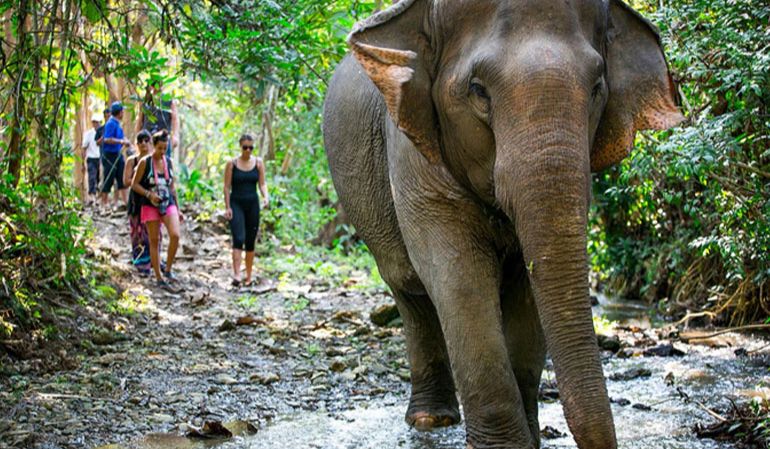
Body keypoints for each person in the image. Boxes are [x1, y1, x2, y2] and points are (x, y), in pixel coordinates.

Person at [131, 130, 182, 290]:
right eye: (159, 148)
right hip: (149, 204)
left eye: (165, 148)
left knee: (175, 235)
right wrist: (149, 194)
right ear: (154, 146)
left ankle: (168, 269)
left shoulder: (169, 162)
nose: (162, 152)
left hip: (168, 203)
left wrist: (178, 209)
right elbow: (134, 184)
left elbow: (172, 186)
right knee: (154, 240)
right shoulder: (145, 163)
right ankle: (159, 277)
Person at [224, 134, 269, 286]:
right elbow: (226, 186)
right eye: (245, 147)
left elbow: (262, 184)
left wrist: (266, 197)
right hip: (236, 203)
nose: (248, 150)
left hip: (252, 204)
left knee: (250, 240)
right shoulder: (232, 164)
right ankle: (237, 275)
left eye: (251, 147)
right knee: (238, 238)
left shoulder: (258, 163)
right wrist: (228, 206)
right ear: (240, 147)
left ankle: (248, 276)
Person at [124, 130, 160, 275]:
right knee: (137, 231)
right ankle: (140, 261)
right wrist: (137, 178)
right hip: (137, 200)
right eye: (141, 141)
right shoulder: (132, 160)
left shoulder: (156, 160)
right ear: (137, 144)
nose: (144, 144)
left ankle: (154, 260)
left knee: (153, 233)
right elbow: (126, 181)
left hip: (152, 200)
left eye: (146, 140)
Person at [136, 80, 180, 157]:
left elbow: (175, 119)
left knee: (164, 162)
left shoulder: (168, 100)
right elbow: (140, 120)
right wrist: (137, 138)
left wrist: (175, 136)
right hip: (147, 139)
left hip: (163, 139)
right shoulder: (145, 101)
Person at [100, 102, 130, 210]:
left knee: (121, 177)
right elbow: (107, 139)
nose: (123, 113)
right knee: (108, 178)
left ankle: (127, 202)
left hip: (118, 154)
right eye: (122, 111)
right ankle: (104, 203)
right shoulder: (110, 123)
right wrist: (121, 142)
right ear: (120, 112)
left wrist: (125, 140)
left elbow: (121, 137)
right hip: (109, 155)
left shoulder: (117, 123)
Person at [81, 114, 101, 205]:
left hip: (100, 159)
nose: (96, 124)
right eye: (94, 122)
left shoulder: (103, 133)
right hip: (91, 159)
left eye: (97, 122)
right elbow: (84, 147)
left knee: (99, 178)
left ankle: (98, 197)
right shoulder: (88, 134)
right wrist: (82, 162)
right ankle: (92, 196)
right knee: (92, 178)